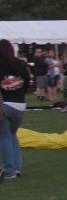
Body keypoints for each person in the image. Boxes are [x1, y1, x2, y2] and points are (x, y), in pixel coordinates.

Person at [0, 39, 31, 182]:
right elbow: (26, 84)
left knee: (4, 137)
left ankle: (9, 170)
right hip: (20, 105)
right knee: (12, 135)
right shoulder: (20, 64)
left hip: (4, 104)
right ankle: (17, 166)